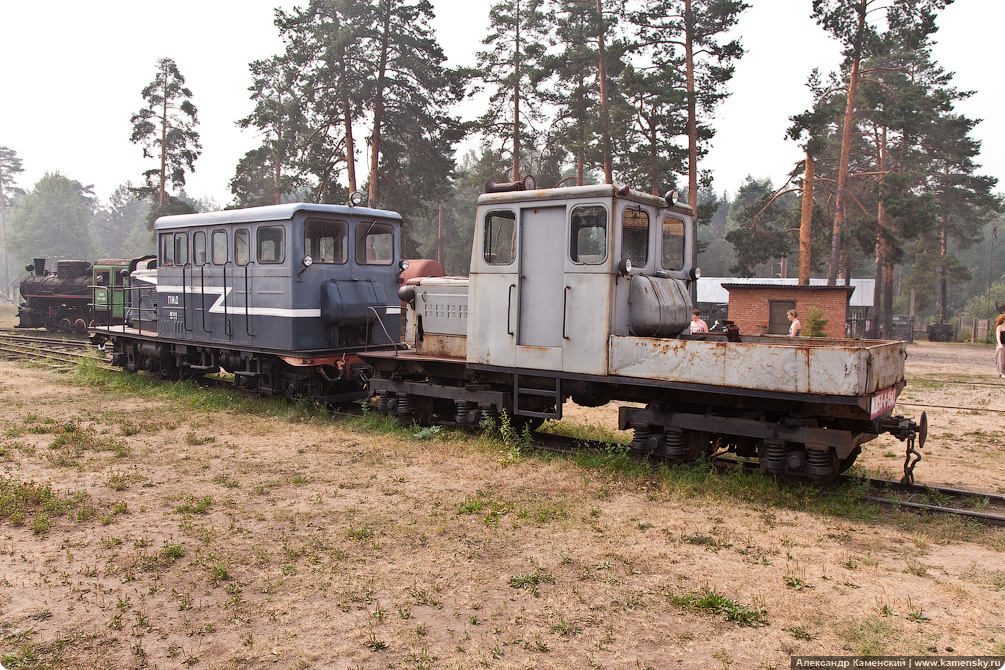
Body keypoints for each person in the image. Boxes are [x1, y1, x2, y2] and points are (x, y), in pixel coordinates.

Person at [996, 314, 1005, 378]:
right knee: (1001, 359)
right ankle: (1001, 372)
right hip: (1002, 345)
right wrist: (1000, 344)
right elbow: (998, 336)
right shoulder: (1000, 327)